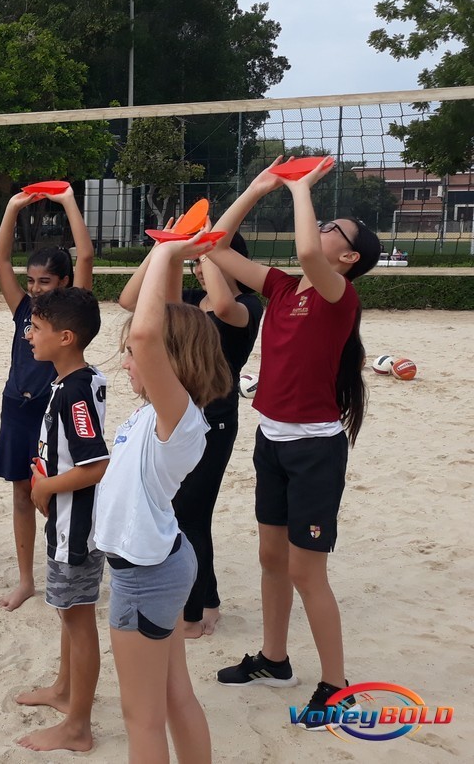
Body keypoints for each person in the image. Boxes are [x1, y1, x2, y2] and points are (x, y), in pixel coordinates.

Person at [207, 158, 382, 726]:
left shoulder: (338, 296)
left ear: (348, 259)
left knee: (309, 573)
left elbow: (310, 252)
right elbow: (215, 246)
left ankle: (336, 685)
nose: (324, 229)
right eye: (324, 221)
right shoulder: (282, 287)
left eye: (337, 230)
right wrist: (257, 188)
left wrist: (303, 187)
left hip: (314, 450)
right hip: (271, 439)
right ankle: (274, 658)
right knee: (270, 559)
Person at [93, 232, 233, 764]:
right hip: (163, 562)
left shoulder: (181, 419)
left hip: (146, 574)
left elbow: (152, 333)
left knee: (141, 719)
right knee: (175, 697)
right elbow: (163, 319)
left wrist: (168, 252)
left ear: (166, 361)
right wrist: (168, 255)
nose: (128, 360)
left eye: (132, 353)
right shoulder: (163, 411)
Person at [119, 229, 263, 638]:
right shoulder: (186, 303)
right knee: (183, 513)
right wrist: (164, 250)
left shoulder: (246, 305)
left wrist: (209, 248)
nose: (200, 269)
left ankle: (195, 614)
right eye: (197, 262)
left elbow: (220, 302)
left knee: (191, 516)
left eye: (207, 261)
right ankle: (209, 599)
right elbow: (131, 300)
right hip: (175, 415)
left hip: (213, 419)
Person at [0, 185, 94, 610]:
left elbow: (85, 255)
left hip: (54, 410)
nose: (34, 288)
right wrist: (13, 207)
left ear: (65, 282)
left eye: (44, 281)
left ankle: (69, 568)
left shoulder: (73, 311)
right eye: (31, 280)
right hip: (17, 406)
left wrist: (68, 199)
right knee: (21, 493)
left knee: (56, 494)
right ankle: (26, 580)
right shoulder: (22, 311)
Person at [14, 288, 108, 753]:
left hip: (76, 526)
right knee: (69, 613)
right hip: (66, 518)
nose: (29, 335)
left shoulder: (75, 393)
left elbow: (97, 463)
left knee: (78, 618)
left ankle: (78, 726)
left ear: (66, 337)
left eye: (37, 328)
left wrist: (47, 487)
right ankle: (65, 689)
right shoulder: (75, 381)